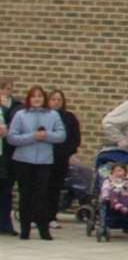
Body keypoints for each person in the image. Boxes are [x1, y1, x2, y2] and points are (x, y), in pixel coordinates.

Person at [7, 86, 65, 239]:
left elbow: (61, 135)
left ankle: (43, 228)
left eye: (40, 96)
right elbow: (12, 138)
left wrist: (46, 135)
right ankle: (25, 228)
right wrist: (32, 136)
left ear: (44, 99)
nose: (37, 99)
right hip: (23, 160)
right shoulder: (21, 115)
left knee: (42, 195)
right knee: (25, 194)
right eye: (33, 96)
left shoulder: (53, 115)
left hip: (44, 161)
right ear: (29, 99)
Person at [46, 89, 81, 223]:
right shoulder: (44, 116)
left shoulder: (69, 118)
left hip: (61, 158)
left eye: (59, 100)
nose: (56, 102)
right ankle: (38, 215)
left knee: (55, 188)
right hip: (44, 157)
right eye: (53, 99)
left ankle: (51, 216)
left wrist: (68, 153)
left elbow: (75, 138)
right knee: (42, 187)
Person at [0, 78, 19, 234]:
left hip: (8, 156)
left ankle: (5, 224)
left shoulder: (16, 107)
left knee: (6, 191)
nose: (5, 92)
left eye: (8, 89)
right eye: (3, 88)